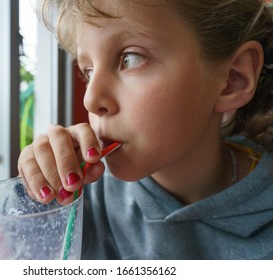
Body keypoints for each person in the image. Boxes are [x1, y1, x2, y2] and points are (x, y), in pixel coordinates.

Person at [18, 0, 273, 259]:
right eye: (89, 71)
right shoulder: (84, 199)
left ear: (232, 80)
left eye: (130, 58)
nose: (91, 100)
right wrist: (38, 198)